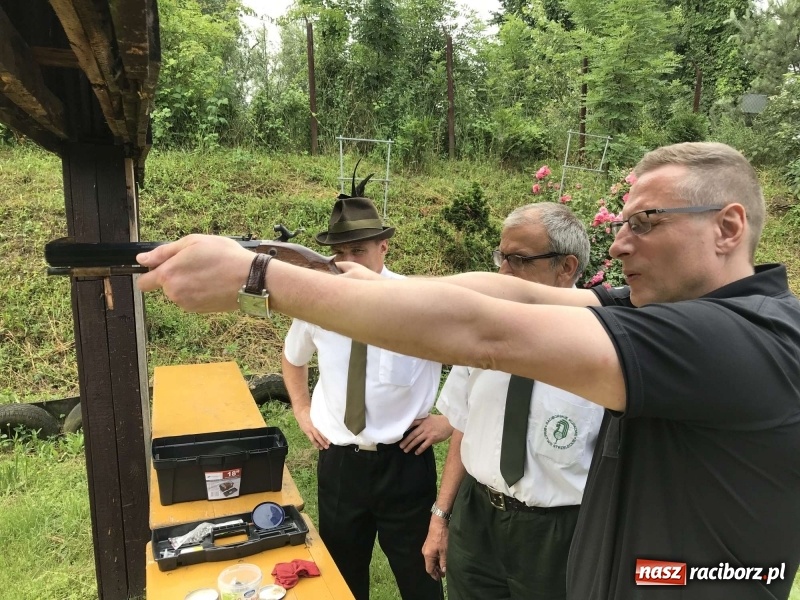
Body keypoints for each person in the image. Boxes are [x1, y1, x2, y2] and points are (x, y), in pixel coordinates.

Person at [136, 142, 800, 600]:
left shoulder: (737, 338)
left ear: (728, 227)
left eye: (646, 222)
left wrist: (258, 276)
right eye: (621, 222)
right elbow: (504, 294)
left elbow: (484, 333)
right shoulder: (682, 311)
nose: (620, 243)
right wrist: (362, 286)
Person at [280, 174, 451, 600]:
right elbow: (292, 358)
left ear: (383, 247)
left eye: (358, 250)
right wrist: (302, 410)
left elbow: (478, 364)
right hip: (340, 465)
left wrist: (449, 419)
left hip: (404, 464)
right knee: (341, 578)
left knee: (421, 578)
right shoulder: (316, 300)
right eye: (339, 252)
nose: (347, 261)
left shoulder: (418, 303)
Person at [422, 202, 604, 600]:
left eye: (519, 260)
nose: (502, 272)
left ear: (567, 267)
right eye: (501, 257)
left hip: (556, 534)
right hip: (477, 516)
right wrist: (441, 517)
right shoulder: (485, 330)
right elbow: (464, 426)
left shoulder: (604, 346)